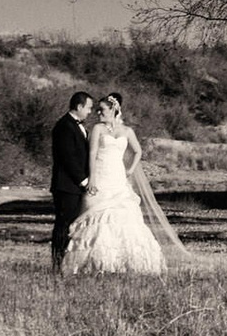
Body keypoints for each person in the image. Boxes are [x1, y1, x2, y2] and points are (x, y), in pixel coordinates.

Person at [60, 91, 170, 275]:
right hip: (101, 176)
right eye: (96, 110)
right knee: (99, 216)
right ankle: (96, 264)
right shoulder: (97, 129)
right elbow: (92, 154)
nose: (98, 113)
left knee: (124, 216)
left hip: (118, 177)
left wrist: (129, 169)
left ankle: (125, 263)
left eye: (102, 109)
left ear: (113, 110)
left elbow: (138, 152)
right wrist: (92, 178)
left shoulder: (127, 131)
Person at [48, 90, 94, 269]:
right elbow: (68, 158)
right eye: (88, 108)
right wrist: (84, 181)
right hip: (66, 185)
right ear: (79, 106)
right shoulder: (64, 126)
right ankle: (57, 264)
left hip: (73, 186)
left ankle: (67, 262)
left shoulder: (77, 126)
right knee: (63, 224)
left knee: (71, 224)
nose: (90, 112)